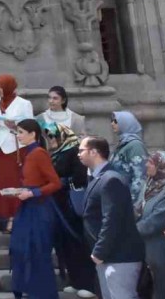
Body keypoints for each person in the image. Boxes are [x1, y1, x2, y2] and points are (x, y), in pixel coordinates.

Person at [79, 135, 145, 299]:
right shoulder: (99, 177)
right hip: (108, 256)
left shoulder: (111, 179)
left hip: (118, 256)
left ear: (94, 152)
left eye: (81, 150)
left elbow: (112, 219)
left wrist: (100, 251)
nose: (78, 154)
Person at [5, 119, 62, 299]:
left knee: (37, 251)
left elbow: (55, 183)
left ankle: (42, 293)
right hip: (28, 208)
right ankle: (28, 289)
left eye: (21, 132)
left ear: (32, 134)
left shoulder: (38, 153)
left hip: (39, 209)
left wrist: (33, 193)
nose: (18, 135)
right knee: (20, 249)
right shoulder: (28, 153)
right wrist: (21, 191)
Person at [45, 125, 97, 298]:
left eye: (53, 136)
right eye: (48, 136)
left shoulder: (74, 151)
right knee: (66, 245)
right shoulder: (57, 152)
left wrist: (60, 182)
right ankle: (74, 280)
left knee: (79, 244)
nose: (51, 140)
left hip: (72, 205)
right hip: (59, 204)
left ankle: (87, 284)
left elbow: (80, 176)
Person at [0, 74, 33, 233]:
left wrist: (15, 126)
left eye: (1, 86)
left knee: (15, 182)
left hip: (16, 148)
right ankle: (3, 217)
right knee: (1, 183)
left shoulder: (24, 103)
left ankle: (16, 217)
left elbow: (30, 126)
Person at [135, 152, 165, 299]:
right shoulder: (149, 183)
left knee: (162, 286)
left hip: (161, 248)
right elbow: (138, 206)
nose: (146, 165)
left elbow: (156, 221)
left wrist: (131, 230)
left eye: (151, 163)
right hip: (145, 247)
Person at [110, 110, 149, 206]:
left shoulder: (135, 145)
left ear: (126, 122)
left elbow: (140, 176)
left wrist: (132, 203)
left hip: (128, 201)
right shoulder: (123, 143)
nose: (112, 124)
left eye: (115, 121)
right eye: (111, 120)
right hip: (118, 197)